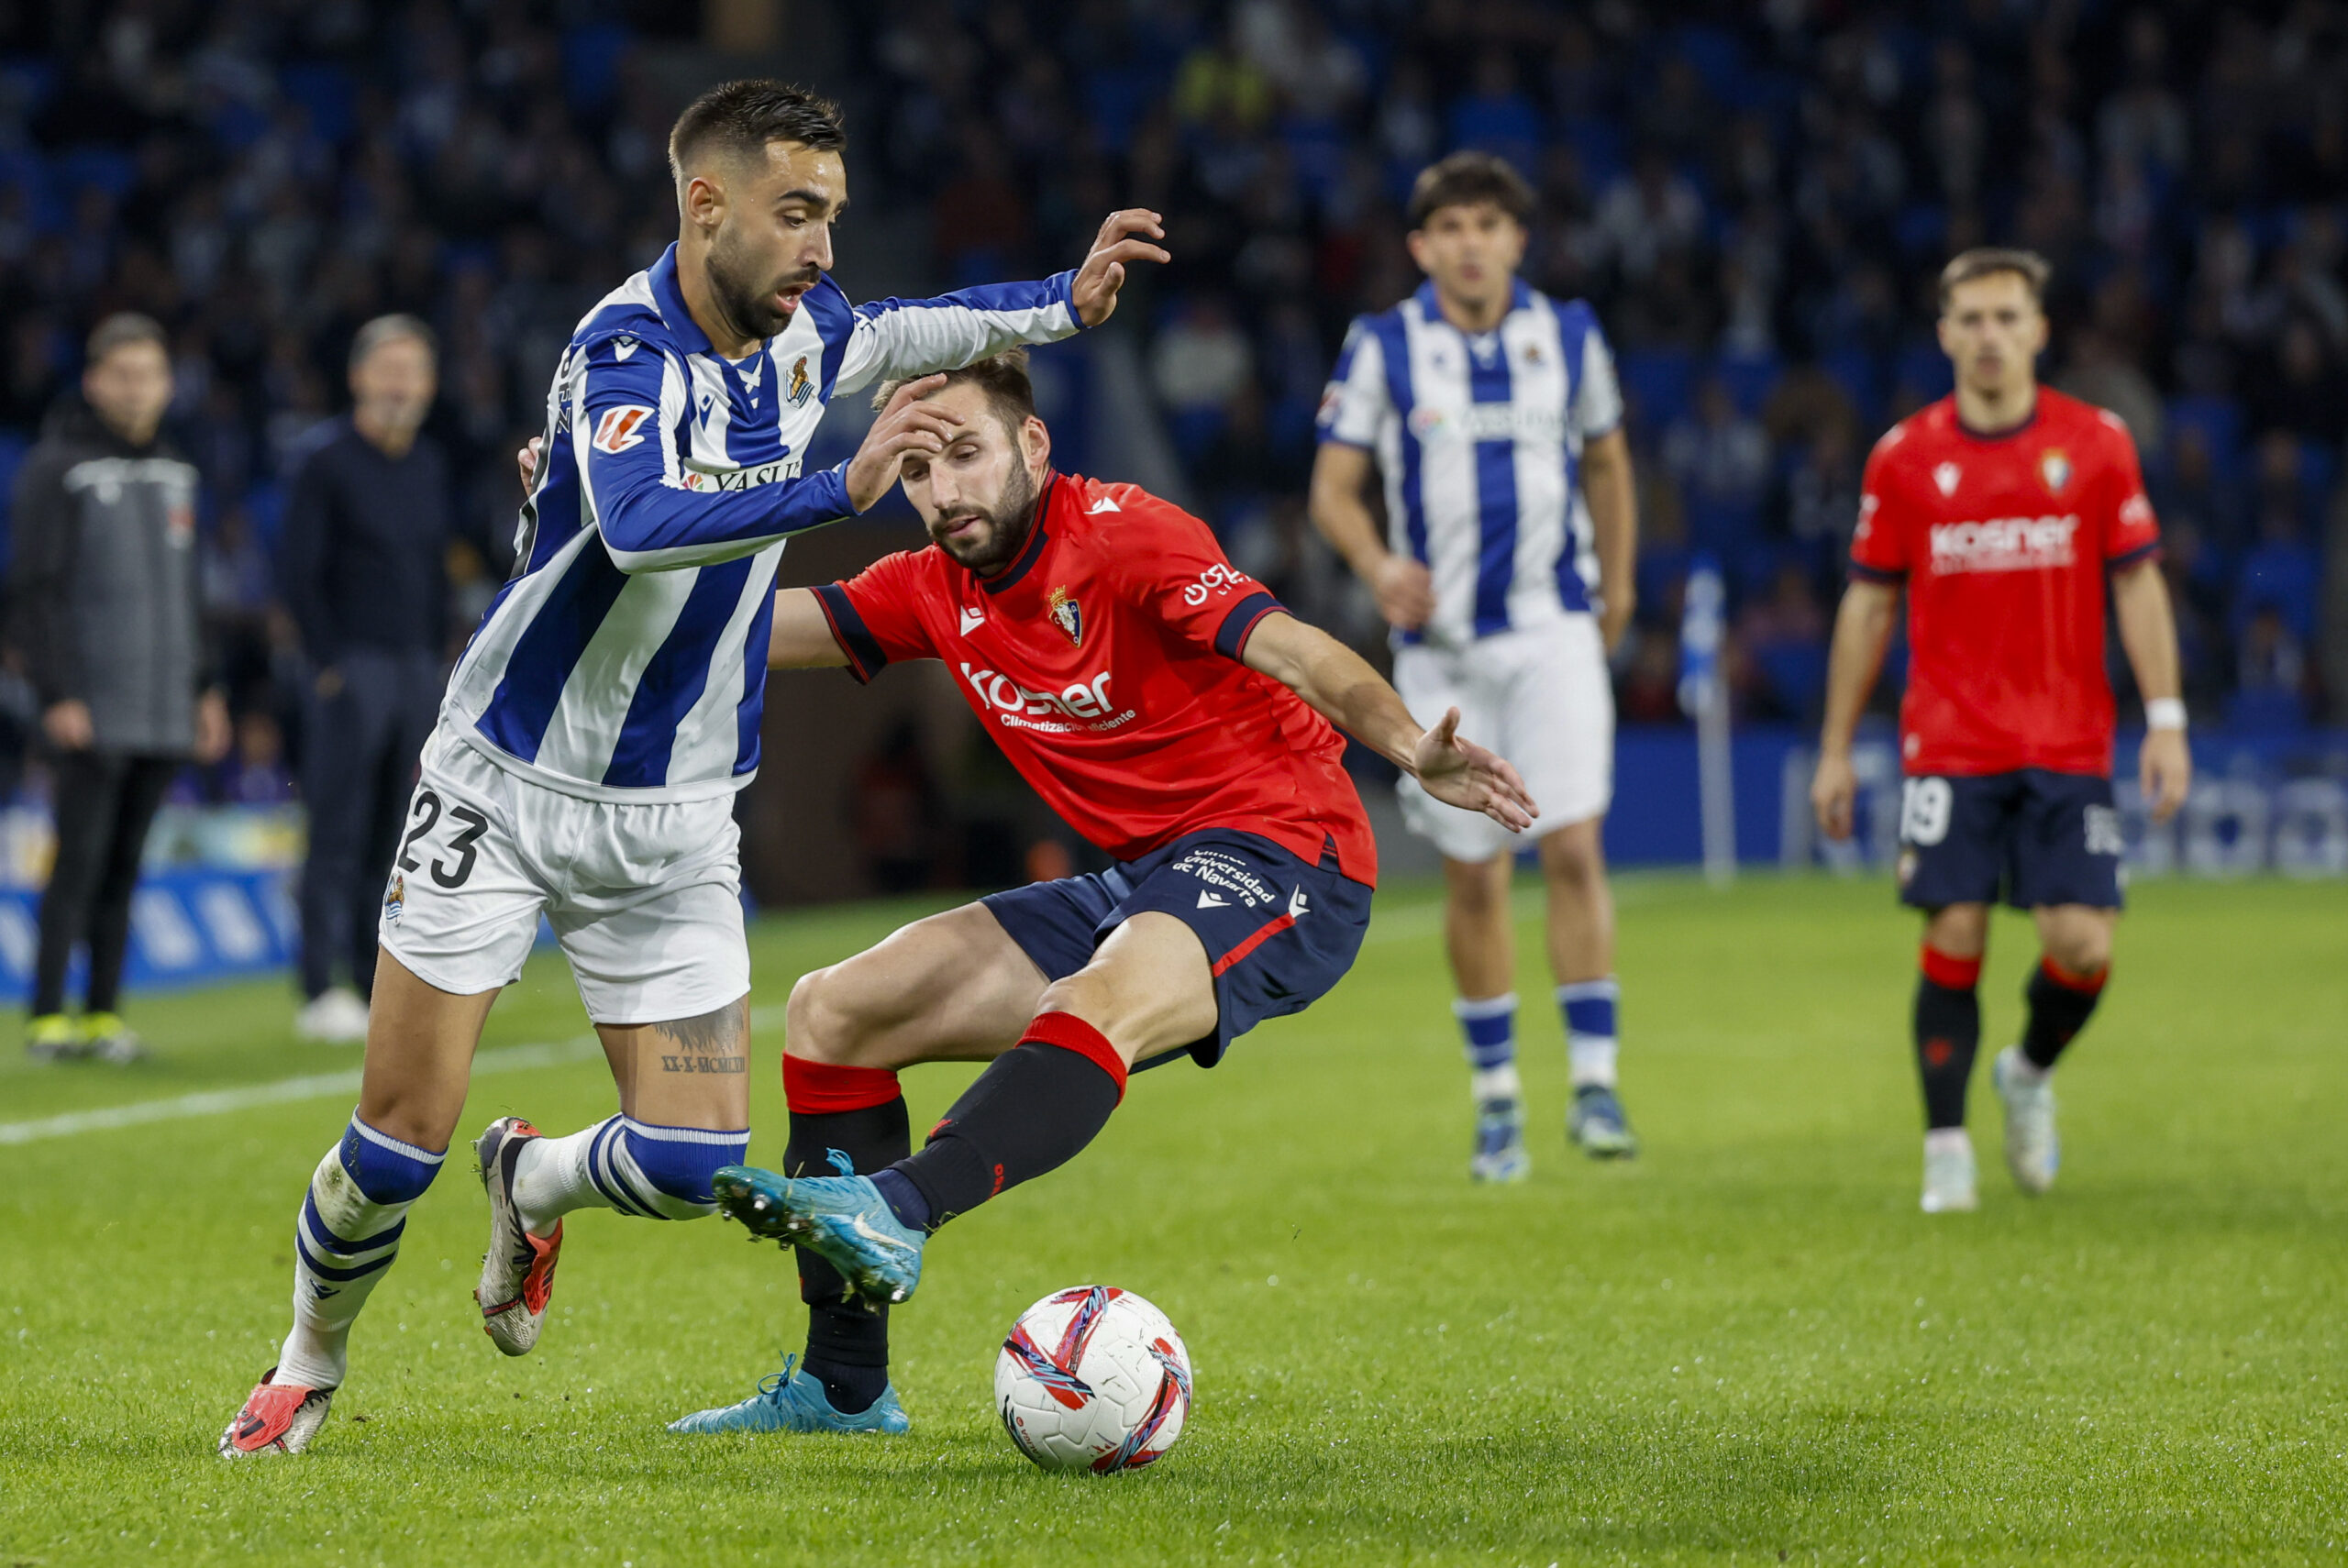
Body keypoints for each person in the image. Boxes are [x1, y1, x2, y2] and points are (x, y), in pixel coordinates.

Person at [217, 79, 1168, 1457]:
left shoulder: (812, 328)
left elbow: (915, 325)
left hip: (675, 820)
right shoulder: (624, 352)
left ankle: (532, 1179)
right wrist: (837, 492)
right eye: (796, 215)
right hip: (508, 788)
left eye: (832, 217)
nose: (822, 250)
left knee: (692, 1162)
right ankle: (307, 1359)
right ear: (704, 204)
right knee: (393, 1140)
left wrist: (1059, 305)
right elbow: (644, 524)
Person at [663, 349, 1533, 1436]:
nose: (945, 493)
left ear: (1032, 446)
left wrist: (1408, 743)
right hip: (1138, 873)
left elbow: (1295, 648)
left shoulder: (1125, 533)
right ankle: (843, 1389)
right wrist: (597, 558)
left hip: (1283, 849)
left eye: (967, 456)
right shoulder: (931, 587)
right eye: (919, 470)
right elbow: (734, 632)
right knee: (834, 1012)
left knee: (1091, 1002)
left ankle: (898, 1209)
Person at [1809, 248, 2192, 1215]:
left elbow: (2137, 581)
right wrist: (1832, 748)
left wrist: (2167, 718)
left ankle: (2023, 1073)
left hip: (2067, 743)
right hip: (1950, 742)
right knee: (1955, 924)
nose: (1988, 336)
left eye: (2005, 318)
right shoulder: (1903, 457)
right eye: (1969, 319)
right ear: (1944, 332)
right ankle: (1946, 1148)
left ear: (2037, 329)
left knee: (2080, 946)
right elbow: (1866, 607)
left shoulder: (2096, 444)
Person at [1307, 151, 1640, 1181]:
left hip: (1553, 630)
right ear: (1421, 247)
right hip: (1443, 653)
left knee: (1574, 848)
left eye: (1486, 224)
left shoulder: (1567, 334)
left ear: (1515, 240)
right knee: (1474, 875)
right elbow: (1332, 488)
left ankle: (1593, 1084)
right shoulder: (1385, 345)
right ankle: (1498, 1104)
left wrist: (1619, 589)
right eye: (1448, 227)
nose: (1469, 243)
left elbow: (1607, 464)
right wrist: (1374, 565)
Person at [5, 313, 229, 1064]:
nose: (138, 389)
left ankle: (101, 1013)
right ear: (95, 381)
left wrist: (206, 688)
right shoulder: (55, 468)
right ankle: (45, 1016)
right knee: (78, 861)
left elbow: (191, 592)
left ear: (169, 384)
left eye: (151, 375)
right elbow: (30, 592)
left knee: (127, 864)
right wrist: (58, 692)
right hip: (91, 704)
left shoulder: (179, 472)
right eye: (123, 375)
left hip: (165, 703)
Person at [278, 315, 478, 1044]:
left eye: (413, 370)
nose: (400, 384)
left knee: (398, 840)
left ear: (428, 386)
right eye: (387, 369)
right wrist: (328, 664)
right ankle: (315, 988)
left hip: (415, 670)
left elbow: (434, 571)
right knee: (334, 830)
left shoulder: (425, 464)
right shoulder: (324, 461)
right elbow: (297, 572)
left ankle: (370, 984)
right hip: (352, 666)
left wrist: (439, 659)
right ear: (359, 377)